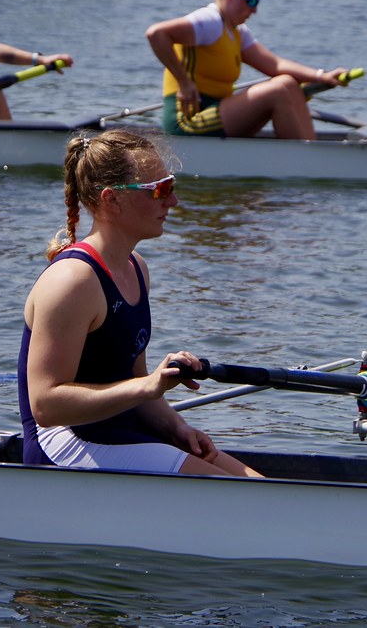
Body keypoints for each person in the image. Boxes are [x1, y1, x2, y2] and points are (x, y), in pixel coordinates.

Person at [18, 130, 263, 477]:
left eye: (171, 185)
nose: (173, 201)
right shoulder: (72, 282)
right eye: (159, 190)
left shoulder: (136, 267)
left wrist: (176, 427)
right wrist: (148, 386)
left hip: (119, 428)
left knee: (255, 483)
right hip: (64, 443)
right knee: (243, 496)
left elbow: (131, 380)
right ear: (112, 200)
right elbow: (45, 405)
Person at [145, 0, 347, 140]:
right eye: (251, 2)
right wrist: (184, 83)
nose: (255, 10)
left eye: (257, 3)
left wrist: (322, 76)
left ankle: (309, 153)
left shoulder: (236, 31)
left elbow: (275, 65)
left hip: (215, 112)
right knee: (280, 89)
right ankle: (307, 162)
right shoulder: (209, 21)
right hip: (188, 121)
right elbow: (156, 33)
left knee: (289, 84)